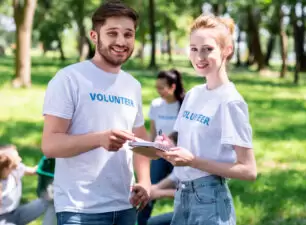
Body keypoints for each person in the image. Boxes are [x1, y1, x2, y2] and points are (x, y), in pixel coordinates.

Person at [41, 1, 151, 224]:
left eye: (128, 34)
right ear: (94, 35)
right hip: (80, 210)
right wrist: (99, 139)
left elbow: (140, 140)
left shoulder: (133, 85)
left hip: (125, 205)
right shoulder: (69, 79)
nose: (121, 41)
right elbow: (50, 145)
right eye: (112, 33)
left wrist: (146, 181)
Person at [156, 14, 257, 225]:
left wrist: (192, 160)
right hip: (182, 196)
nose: (199, 56)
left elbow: (248, 171)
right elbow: (182, 143)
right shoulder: (193, 94)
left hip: (211, 200)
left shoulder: (231, 102)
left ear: (226, 50)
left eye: (208, 49)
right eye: (194, 48)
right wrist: (167, 146)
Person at [137, 69, 185, 225]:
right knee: (149, 190)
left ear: (173, 87)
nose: (159, 91)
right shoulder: (156, 105)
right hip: (160, 155)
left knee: (184, 192)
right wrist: (150, 153)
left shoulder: (184, 106)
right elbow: (152, 132)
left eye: (162, 87)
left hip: (179, 157)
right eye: (156, 87)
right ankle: (141, 222)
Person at [0, 145, 53, 225]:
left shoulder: (16, 170)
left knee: (46, 201)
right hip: (2, 218)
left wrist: (47, 163)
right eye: (17, 158)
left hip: (16, 212)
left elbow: (33, 171)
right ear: (7, 168)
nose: (20, 159)